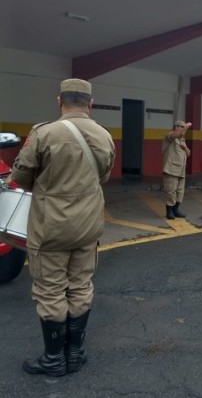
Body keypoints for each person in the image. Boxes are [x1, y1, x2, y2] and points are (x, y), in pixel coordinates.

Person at [9, 78, 116, 377]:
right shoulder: (104, 135)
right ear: (90, 104)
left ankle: (54, 358)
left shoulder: (43, 133)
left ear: (60, 101)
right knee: (80, 287)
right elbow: (103, 176)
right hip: (88, 226)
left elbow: (21, 177)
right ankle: (75, 354)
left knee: (50, 291)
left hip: (50, 228)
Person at [162, 120, 192, 220]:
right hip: (171, 169)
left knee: (180, 191)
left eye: (184, 128)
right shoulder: (169, 137)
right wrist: (185, 127)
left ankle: (176, 209)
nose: (184, 131)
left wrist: (185, 148)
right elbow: (174, 135)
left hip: (181, 170)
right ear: (176, 128)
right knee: (171, 191)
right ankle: (169, 211)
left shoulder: (182, 139)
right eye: (182, 128)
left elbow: (188, 153)